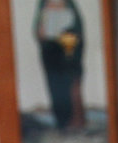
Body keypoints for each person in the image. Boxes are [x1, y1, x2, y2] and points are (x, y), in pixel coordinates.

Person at [34, 0, 86, 131]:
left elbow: (76, 31)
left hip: (68, 55)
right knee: (56, 89)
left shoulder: (69, 5)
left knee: (71, 86)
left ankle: (75, 122)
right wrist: (41, 33)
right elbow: (37, 29)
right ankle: (62, 123)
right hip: (51, 56)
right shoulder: (43, 3)